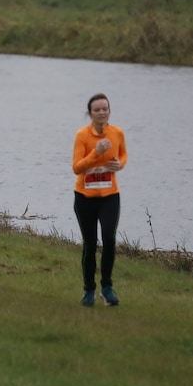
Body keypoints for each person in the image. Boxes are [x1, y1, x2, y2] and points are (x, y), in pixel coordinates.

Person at [72, 93, 127, 307]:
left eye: (105, 109)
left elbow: (123, 155)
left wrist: (119, 164)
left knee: (109, 239)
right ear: (90, 113)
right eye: (97, 110)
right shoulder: (82, 136)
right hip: (85, 197)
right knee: (90, 243)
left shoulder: (117, 133)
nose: (102, 113)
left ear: (109, 111)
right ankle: (89, 290)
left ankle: (107, 288)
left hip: (109, 196)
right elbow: (77, 167)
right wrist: (96, 152)